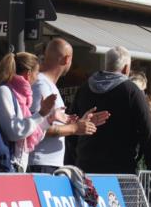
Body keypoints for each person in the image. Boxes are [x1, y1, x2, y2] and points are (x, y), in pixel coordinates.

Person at [69, 46, 151, 178]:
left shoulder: (84, 88)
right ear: (126, 68)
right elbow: (148, 130)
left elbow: (72, 123)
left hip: (86, 165)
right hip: (120, 168)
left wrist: (73, 160)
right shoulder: (131, 91)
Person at [29, 38, 109, 174]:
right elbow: (36, 127)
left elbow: (49, 123)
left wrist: (80, 123)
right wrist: (74, 128)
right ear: (67, 59)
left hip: (47, 163)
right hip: (40, 163)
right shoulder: (41, 85)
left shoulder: (48, 85)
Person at [0, 53, 57, 172]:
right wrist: (41, 113)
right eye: (37, 73)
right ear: (29, 74)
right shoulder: (4, 91)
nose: (37, 77)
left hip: (13, 166)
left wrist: (47, 120)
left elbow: (26, 132)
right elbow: (14, 131)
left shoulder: (20, 97)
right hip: (4, 166)